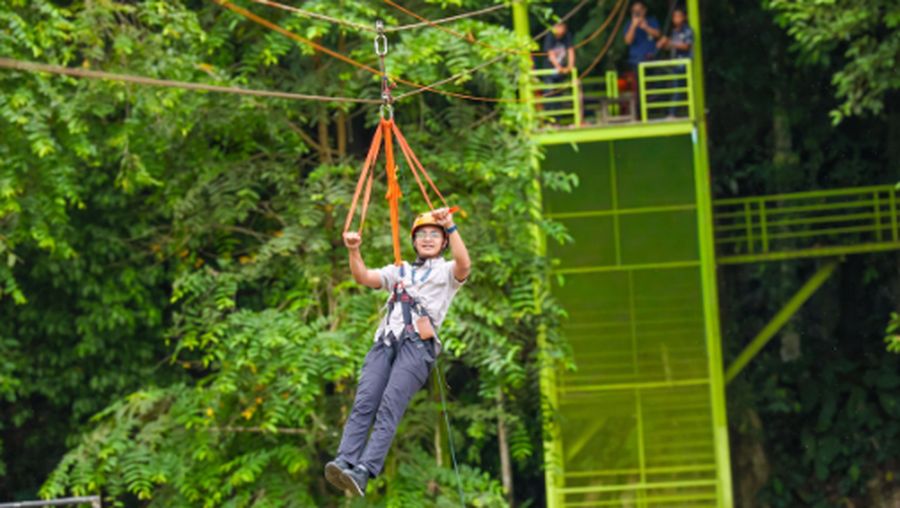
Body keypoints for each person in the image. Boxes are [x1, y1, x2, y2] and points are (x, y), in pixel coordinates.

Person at [324, 207, 471, 497]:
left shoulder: (445, 272)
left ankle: (364, 471)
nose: (428, 239)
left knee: (390, 405)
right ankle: (345, 460)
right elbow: (364, 277)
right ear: (414, 241)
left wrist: (451, 227)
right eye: (422, 235)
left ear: (443, 242)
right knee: (365, 400)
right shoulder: (399, 271)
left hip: (416, 346)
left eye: (434, 234)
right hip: (386, 342)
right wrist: (354, 250)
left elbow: (464, 266)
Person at [622, 1, 661, 117]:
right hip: (636, 61)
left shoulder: (651, 20)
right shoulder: (629, 24)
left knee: (655, 86)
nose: (637, 13)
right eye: (634, 11)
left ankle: (655, 111)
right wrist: (634, 26)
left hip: (652, 59)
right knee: (639, 89)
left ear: (644, 10)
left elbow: (658, 35)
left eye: (639, 10)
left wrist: (645, 27)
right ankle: (640, 113)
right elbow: (628, 41)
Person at [657, 7, 694, 117]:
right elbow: (672, 46)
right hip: (675, 63)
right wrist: (663, 44)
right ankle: (669, 112)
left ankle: (672, 113)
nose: (676, 19)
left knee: (679, 88)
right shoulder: (674, 31)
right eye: (674, 17)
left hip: (683, 64)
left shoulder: (687, 30)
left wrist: (670, 42)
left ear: (684, 17)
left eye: (679, 16)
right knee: (673, 87)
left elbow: (686, 46)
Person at [541, 21, 576, 112]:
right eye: (559, 26)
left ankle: (558, 119)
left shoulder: (567, 36)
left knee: (559, 94)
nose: (561, 29)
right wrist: (558, 67)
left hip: (561, 70)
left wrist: (570, 65)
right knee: (549, 93)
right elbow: (550, 54)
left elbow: (570, 50)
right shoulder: (550, 35)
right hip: (549, 69)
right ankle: (549, 116)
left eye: (562, 26)